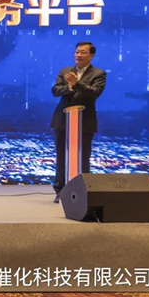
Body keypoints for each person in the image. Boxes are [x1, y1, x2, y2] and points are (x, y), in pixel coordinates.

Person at [50, 41, 106, 203]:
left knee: (83, 157)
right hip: (63, 120)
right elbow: (55, 91)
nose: (78, 55)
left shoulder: (99, 74)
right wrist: (69, 87)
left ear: (91, 55)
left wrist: (77, 84)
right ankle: (60, 191)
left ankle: (83, 192)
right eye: (77, 52)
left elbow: (94, 93)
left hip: (84, 121)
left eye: (82, 52)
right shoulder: (65, 71)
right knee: (61, 156)